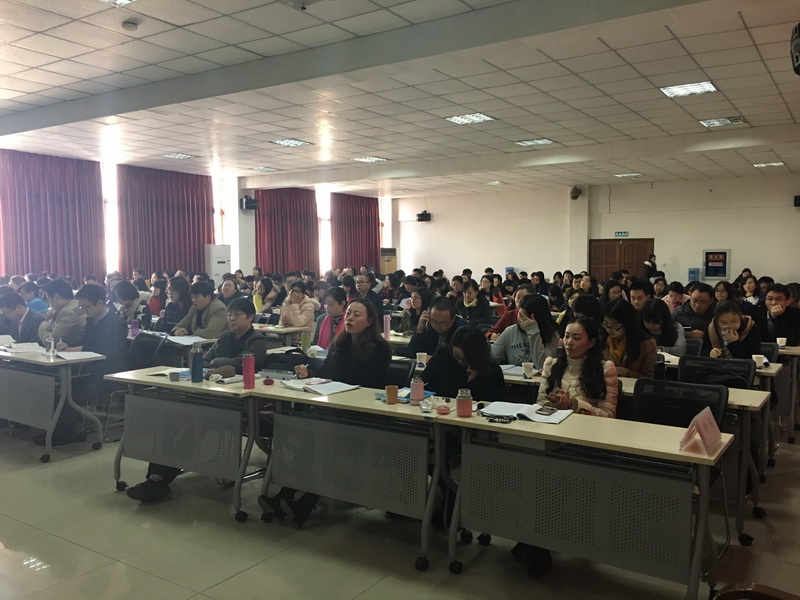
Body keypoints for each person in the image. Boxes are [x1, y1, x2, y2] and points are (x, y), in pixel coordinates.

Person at [127, 298, 268, 503]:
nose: (232, 318)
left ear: (250, 317)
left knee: (191, 426)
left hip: (238, 402)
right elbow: (205, 359)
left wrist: (218, 363)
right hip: (209, 395)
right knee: (172, 421)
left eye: (237, 315)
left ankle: (159, 480)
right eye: (230, 315)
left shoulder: (256, 340)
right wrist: (220, 365)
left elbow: (242, 363)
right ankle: (155, 477)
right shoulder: (225, 336)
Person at [44, 283, 128, 446]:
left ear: (100, 303)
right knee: (60, 388)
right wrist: (68, 345)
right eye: (81, 307)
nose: (83, 311)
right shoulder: (91, 319)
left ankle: (69, 433)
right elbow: (86, 342)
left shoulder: (116, 322)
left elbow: (112, 352)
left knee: (71, 393)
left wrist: (82, 348)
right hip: (91, 369)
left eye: (86, 307)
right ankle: (57, 430)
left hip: (109, 372)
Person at [295, 299, 392, 389]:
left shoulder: (380, 348)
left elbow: (371, 382)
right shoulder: (339, 343)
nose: (350, 318)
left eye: (356, 315)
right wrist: (308, 373)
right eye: (348, 313)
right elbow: (327, 372)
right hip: (337, 395)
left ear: (369, 322)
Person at [422, 326, 504, 401]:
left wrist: (472, 382)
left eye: (465, 359)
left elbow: (492, 401)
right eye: (456, 356)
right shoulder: (443, 356)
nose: (460, 361)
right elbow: (425, 382)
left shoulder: (491, 369)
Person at [490, 294, 558, 369]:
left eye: (523, 317)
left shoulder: (552, 334)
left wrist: (533, 330)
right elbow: (492, 356)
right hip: (514, 375)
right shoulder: (510, 331)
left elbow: (542, 366)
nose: (520, 319)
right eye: (519, 314)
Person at [601, 298, 657, 378]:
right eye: (606, 324)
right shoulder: (601, 338)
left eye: (615, 325)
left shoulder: (646, 344)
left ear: (627, 324)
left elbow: (648, 378)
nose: (609, 329)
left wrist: (623, 372)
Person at [38, 278, 86, 348]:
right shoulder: (75, 305)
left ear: (57, 297)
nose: (50, 304)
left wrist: (42, 328)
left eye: (49, 300)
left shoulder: (68, 313)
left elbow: (50, 342)